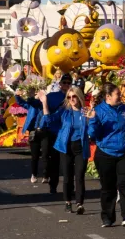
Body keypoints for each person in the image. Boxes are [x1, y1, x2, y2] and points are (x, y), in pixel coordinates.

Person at [88, 83, 125, 228]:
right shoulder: (98, 111)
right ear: (108, 97)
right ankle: (108, 217)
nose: (120, 97)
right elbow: (93, 135)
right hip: (106, 153)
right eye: (117, 94)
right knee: (108, 187)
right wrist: (93, 120)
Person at [39, 79, 91, 214]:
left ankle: (79, 203)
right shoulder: (64, 112)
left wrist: (92, 118)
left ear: (79, 97)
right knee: (68, 176)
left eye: (74, 96)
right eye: (69, 97)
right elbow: (48, 120)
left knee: (79, 176)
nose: (72, 99)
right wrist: (44, 103)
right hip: (66, 146)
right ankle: (68, 201)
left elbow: (93, 130)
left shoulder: (86, 112)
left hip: (81, 146)